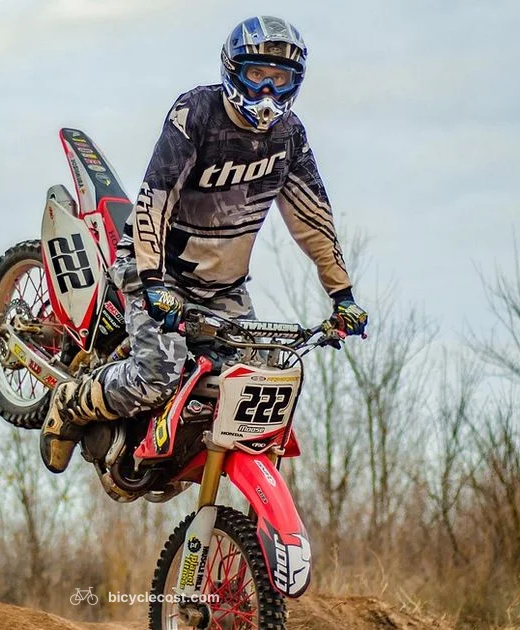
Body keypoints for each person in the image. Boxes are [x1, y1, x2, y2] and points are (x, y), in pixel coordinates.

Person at [40, 15, 369, 473]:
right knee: (157, 377)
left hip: (224, 288)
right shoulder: (197, 113)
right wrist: (153, 281)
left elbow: (313, 217)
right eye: (257, 75)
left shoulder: (289, 136)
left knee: (260, 381)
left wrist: (342, 296)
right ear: (234, 70)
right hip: (158, 270)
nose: (267, 91)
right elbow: (156, 195)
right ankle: (71, 402)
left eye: (279, 79)